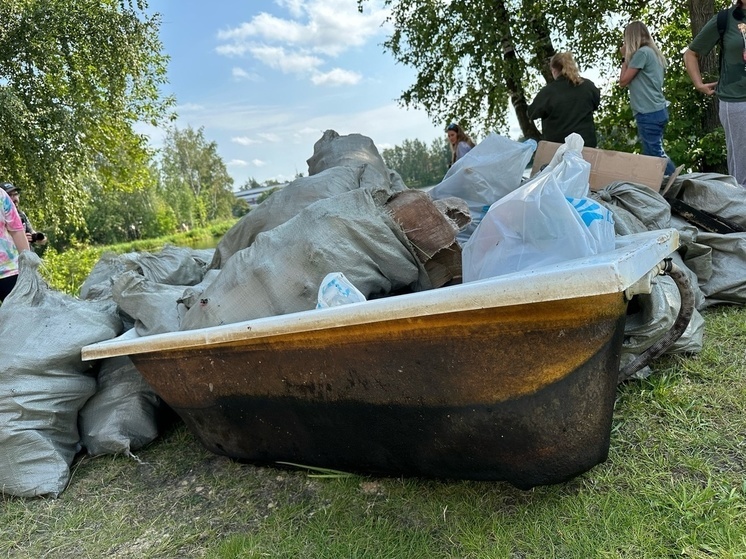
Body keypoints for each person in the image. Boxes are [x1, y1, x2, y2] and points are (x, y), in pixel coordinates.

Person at [683, 0, 746, 187]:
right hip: (737, 102)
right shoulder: (725, 19)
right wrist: (699, 84)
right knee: (742, 173)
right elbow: (690, 53)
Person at [619, 21, 677, 175]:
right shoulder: (652, 52)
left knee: (656, 156)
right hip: (657, 109)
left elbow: (623, 81)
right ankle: (665, 187)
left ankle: (680, 184)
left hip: (648, 112)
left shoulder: (642, 53)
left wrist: (624, 58)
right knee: (651, 154)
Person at [527, 52, 601, 148]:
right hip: (587, 147)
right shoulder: (588, 86)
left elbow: (531, 113)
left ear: (553, 70)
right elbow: (595, 103)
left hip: (558, 150)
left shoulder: (548, 92)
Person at [1, 186, 31, 302]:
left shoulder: (2, 195)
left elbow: (18, 231)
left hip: (9, 271)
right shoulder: (2, 195)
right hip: (10, 270)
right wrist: (29, 270)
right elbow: (17, 231)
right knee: (24, 316)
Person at [1, 182, 47, 247]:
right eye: (10, 195)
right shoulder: (2, 218)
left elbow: (37, 236)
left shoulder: (21, 214)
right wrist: (20, 239)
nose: (15, 199)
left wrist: (37, 238)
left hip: (25, 255)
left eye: (16, 194)